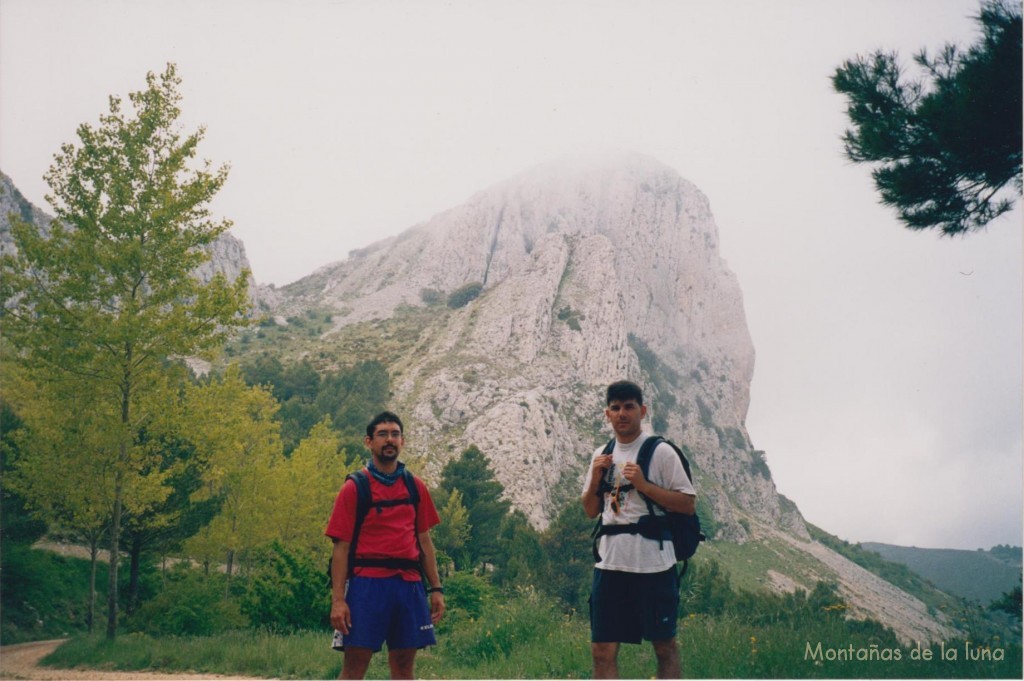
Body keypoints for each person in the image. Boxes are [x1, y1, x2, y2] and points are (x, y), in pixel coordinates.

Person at [581, 380, 697, 679]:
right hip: (610, 563)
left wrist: (645, 485)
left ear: (642, 411)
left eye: (629, 407)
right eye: (616, 408)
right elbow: (591, 510)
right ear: (607, 414)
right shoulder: (601, 455)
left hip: (654, 564)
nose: (622, 414)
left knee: (664, 646)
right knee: (602, 650)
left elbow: (686, 504)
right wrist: (595, 478)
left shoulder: (661, 452)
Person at [325, 411, 446, 680]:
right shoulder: (354, 487)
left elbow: (425, 541)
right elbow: (340, 548)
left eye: (395, 434)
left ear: (402, 441)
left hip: (409, 585)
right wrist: (338, 601)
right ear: (369, 442)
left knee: (404, 667)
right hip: (366, 586)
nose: (389, 439)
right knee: (355, 667)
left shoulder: (416, 487)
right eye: (382, 434)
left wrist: (436, 588)